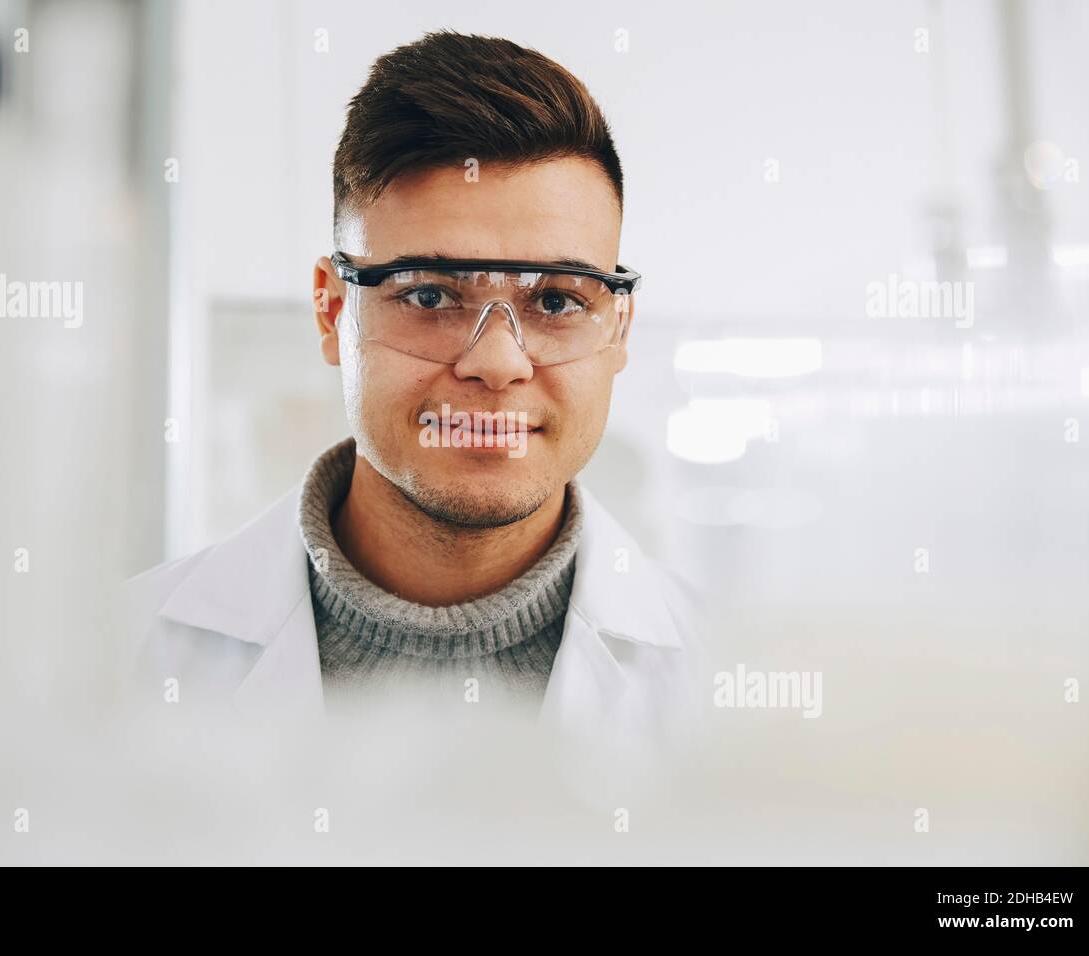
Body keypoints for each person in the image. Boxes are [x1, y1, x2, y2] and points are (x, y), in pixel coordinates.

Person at [127, 31, 702, 753]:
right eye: (429, 295)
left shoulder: (721, 683)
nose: (497, 363)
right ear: (333, 310)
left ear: (619, 331)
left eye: (557, 301)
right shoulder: (119, 664)